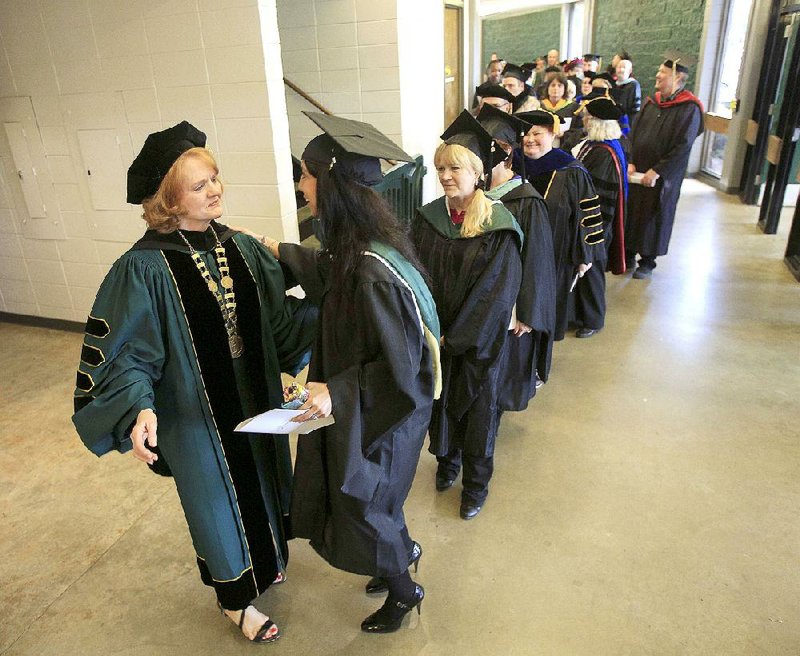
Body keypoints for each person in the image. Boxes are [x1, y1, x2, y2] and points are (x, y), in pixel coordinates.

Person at [72, 122, 316, 644]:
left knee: (264, 483)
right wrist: (139, 406)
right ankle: (234, 601)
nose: (216, 190)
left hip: (254, 400)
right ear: (168, 200)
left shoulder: (244, 249)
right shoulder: (142, 269)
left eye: (215, 178)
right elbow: (126, 353)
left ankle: (267, 560)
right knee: (214, 502)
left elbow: (278, 323)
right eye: (200, 185)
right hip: (192, 417)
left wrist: (332, 324)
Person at [256, 112, 438, 633]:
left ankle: (406, 590)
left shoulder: (372, 272)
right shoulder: (359, 250)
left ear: (331, 182)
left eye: (307, 175)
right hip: (367, 409)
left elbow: (403, 372)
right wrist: (274, 249)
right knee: (374, 501)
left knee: (363, 501)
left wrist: (336, 390)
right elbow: (330, 276)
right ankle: (399, 553)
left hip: (382, 416)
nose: (300, 184)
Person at [413, 110, 523, 520]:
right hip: (437, 337)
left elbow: (495, 295)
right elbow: (416, 275)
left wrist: (454, 337)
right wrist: (428, 328)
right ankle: (447, 464)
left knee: (478, 411)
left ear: (478, 172)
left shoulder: (498, 226)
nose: (444, 175)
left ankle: (476, 484)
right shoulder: (427, 220)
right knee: (441, 404)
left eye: (454, 167)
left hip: (477, 344)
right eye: (440, 167)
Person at [476, 104, 557, 405]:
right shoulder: (477, 195)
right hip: (481, 303)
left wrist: (527, 311)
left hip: (510, 309)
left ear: (505, 150)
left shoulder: (526, 201)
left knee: (501, 377)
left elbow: (537, 262)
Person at [516, 110, 600, 341]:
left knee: (548, 306)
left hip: (555, 255)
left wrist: (585, 255)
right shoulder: (510, 165)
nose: (530, 139)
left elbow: (587, 214)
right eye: (525, 133)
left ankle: (540, 357)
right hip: (515, 253)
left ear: (553, 134)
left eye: (537, 133)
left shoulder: (570, 170)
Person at [626, 58, 704, 278]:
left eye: (662, 72)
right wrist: (630, 159)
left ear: (677, 77)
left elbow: (684, 145)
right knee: (633, 211)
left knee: (654, 214)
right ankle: (629, 253)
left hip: (663, 176)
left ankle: (648, 261)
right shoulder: (652, 102)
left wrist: (658, 170)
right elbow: (633, 133)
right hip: (638, 170)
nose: (657, 76)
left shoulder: (690, 108)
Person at [572, 94, 629, 337]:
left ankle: (593, 318)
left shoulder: (605, 153)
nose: (583, 121)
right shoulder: (594, 146)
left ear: (596, 123)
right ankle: (578, 314)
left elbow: (599, 194)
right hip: (587, 218)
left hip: (597, 221)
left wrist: (591, 225)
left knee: (592, 267)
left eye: (587, 117)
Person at [612, 59, 642, 134]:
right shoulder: (613, 85)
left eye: (624, 67)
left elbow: (635, 109)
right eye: (619, 67)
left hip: (627, 124)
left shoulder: (633, 85)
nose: (621, 70)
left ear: (630, 70)